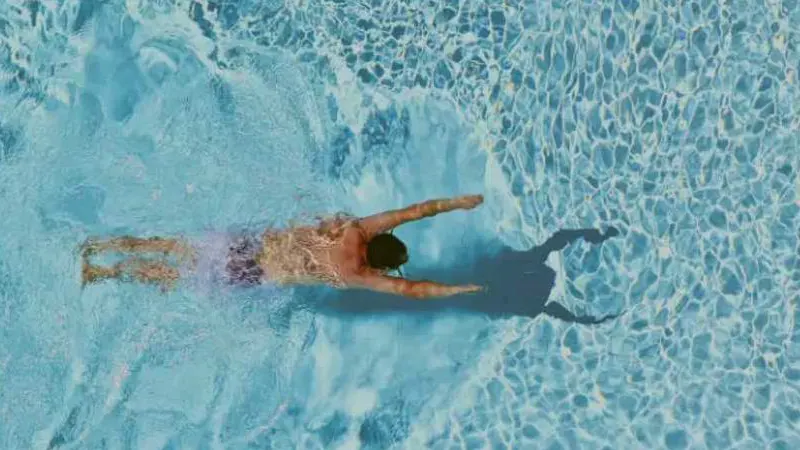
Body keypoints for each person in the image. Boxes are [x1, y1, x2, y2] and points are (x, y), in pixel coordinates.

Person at [80, 194, 485, 298]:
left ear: (383, 238)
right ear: (380, 265)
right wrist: (460, 289)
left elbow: (415, 211)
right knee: (177, 275)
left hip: (250, 243)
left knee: (176, 247)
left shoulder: (357, 229)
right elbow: (411, 289)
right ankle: (102, 273)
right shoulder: (356, 274)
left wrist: (457, 203)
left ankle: (102, 245)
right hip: (254, 272)